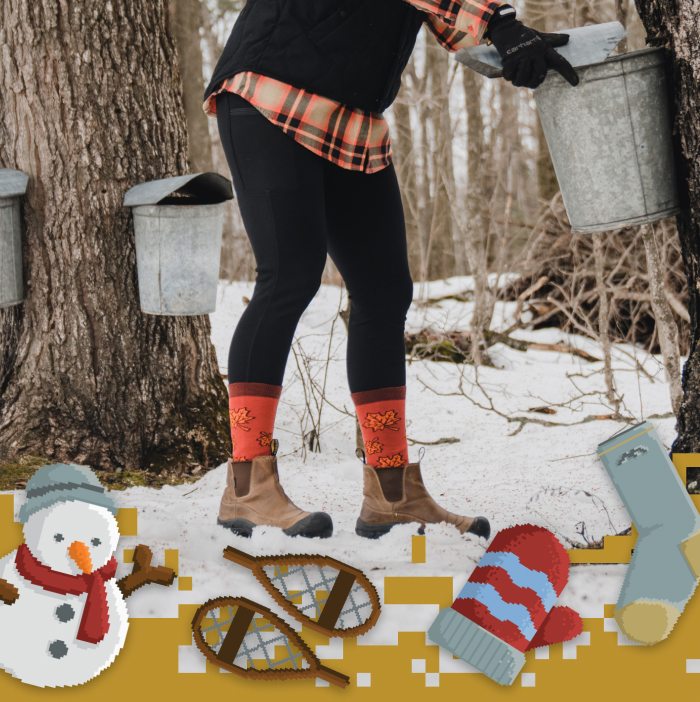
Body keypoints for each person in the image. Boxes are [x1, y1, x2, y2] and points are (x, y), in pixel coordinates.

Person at [202, 1, 578, 540]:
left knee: (383, 290)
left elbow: (446, 17)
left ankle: (391, 491)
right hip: (272, 93)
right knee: (289, 276)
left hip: (349, 118)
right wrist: (499, 20)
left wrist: (514, 45)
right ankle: (248, 484)